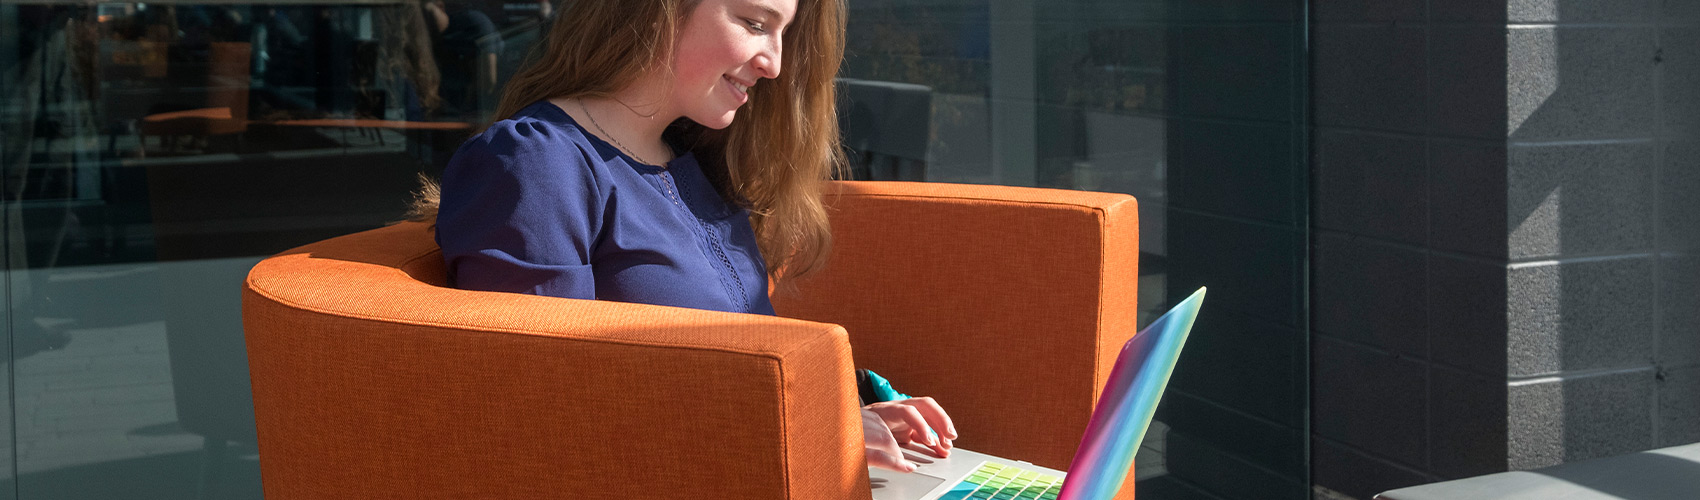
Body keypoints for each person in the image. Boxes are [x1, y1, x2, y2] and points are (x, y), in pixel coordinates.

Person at [408, 0, 955, 473]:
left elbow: (723, 361)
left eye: (783, 33)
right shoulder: (537, 163)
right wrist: (812, 429)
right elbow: (550, 410)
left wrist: (839, 406)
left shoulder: (693, 161)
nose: (775, 64)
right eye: (753, 22)